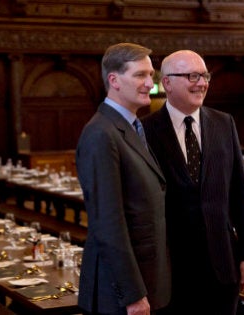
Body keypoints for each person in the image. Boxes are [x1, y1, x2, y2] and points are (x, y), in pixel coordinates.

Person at [142, 50, 244, 315]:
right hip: (171, 268)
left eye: (205, 75)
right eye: (192, 76)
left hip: (222, 264)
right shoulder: (145, 131)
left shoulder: (223, 123)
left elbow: (240, 194)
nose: (202, 83)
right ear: (167, 83)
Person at [75, 42, 170, 315]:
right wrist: (132, 295)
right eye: (140, 75)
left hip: (147, 278)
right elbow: (108, 223)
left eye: (151, 75)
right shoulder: (102, 133)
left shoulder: (131, 127)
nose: (149, 83)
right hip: (121, 294)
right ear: (114, 80)